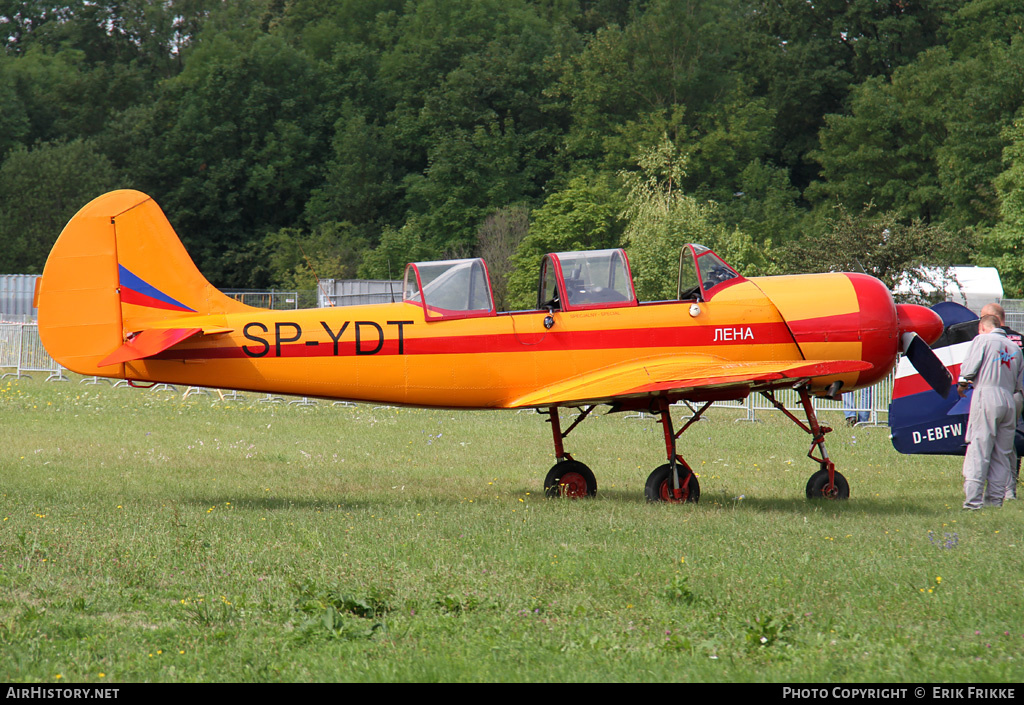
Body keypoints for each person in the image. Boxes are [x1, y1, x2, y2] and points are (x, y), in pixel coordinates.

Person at [957, 314, 1024, 509]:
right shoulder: (1015, 348)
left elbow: (969, 369)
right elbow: (1019, 383)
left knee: (979, 448)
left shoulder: (983, 340)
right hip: (1009, 399)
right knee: (1001, 453)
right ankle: (995, 501)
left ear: (983, 328)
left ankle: (973, 501)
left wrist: (962, 383)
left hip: (986, 395)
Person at [979, 302, 1022, 501]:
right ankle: (1009, 488)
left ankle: (989, 488)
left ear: (992, 318)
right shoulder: (1019, 340)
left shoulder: (987, 340)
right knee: (1009, 443)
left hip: (996, 394)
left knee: (990, 441)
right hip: (1017, 395)